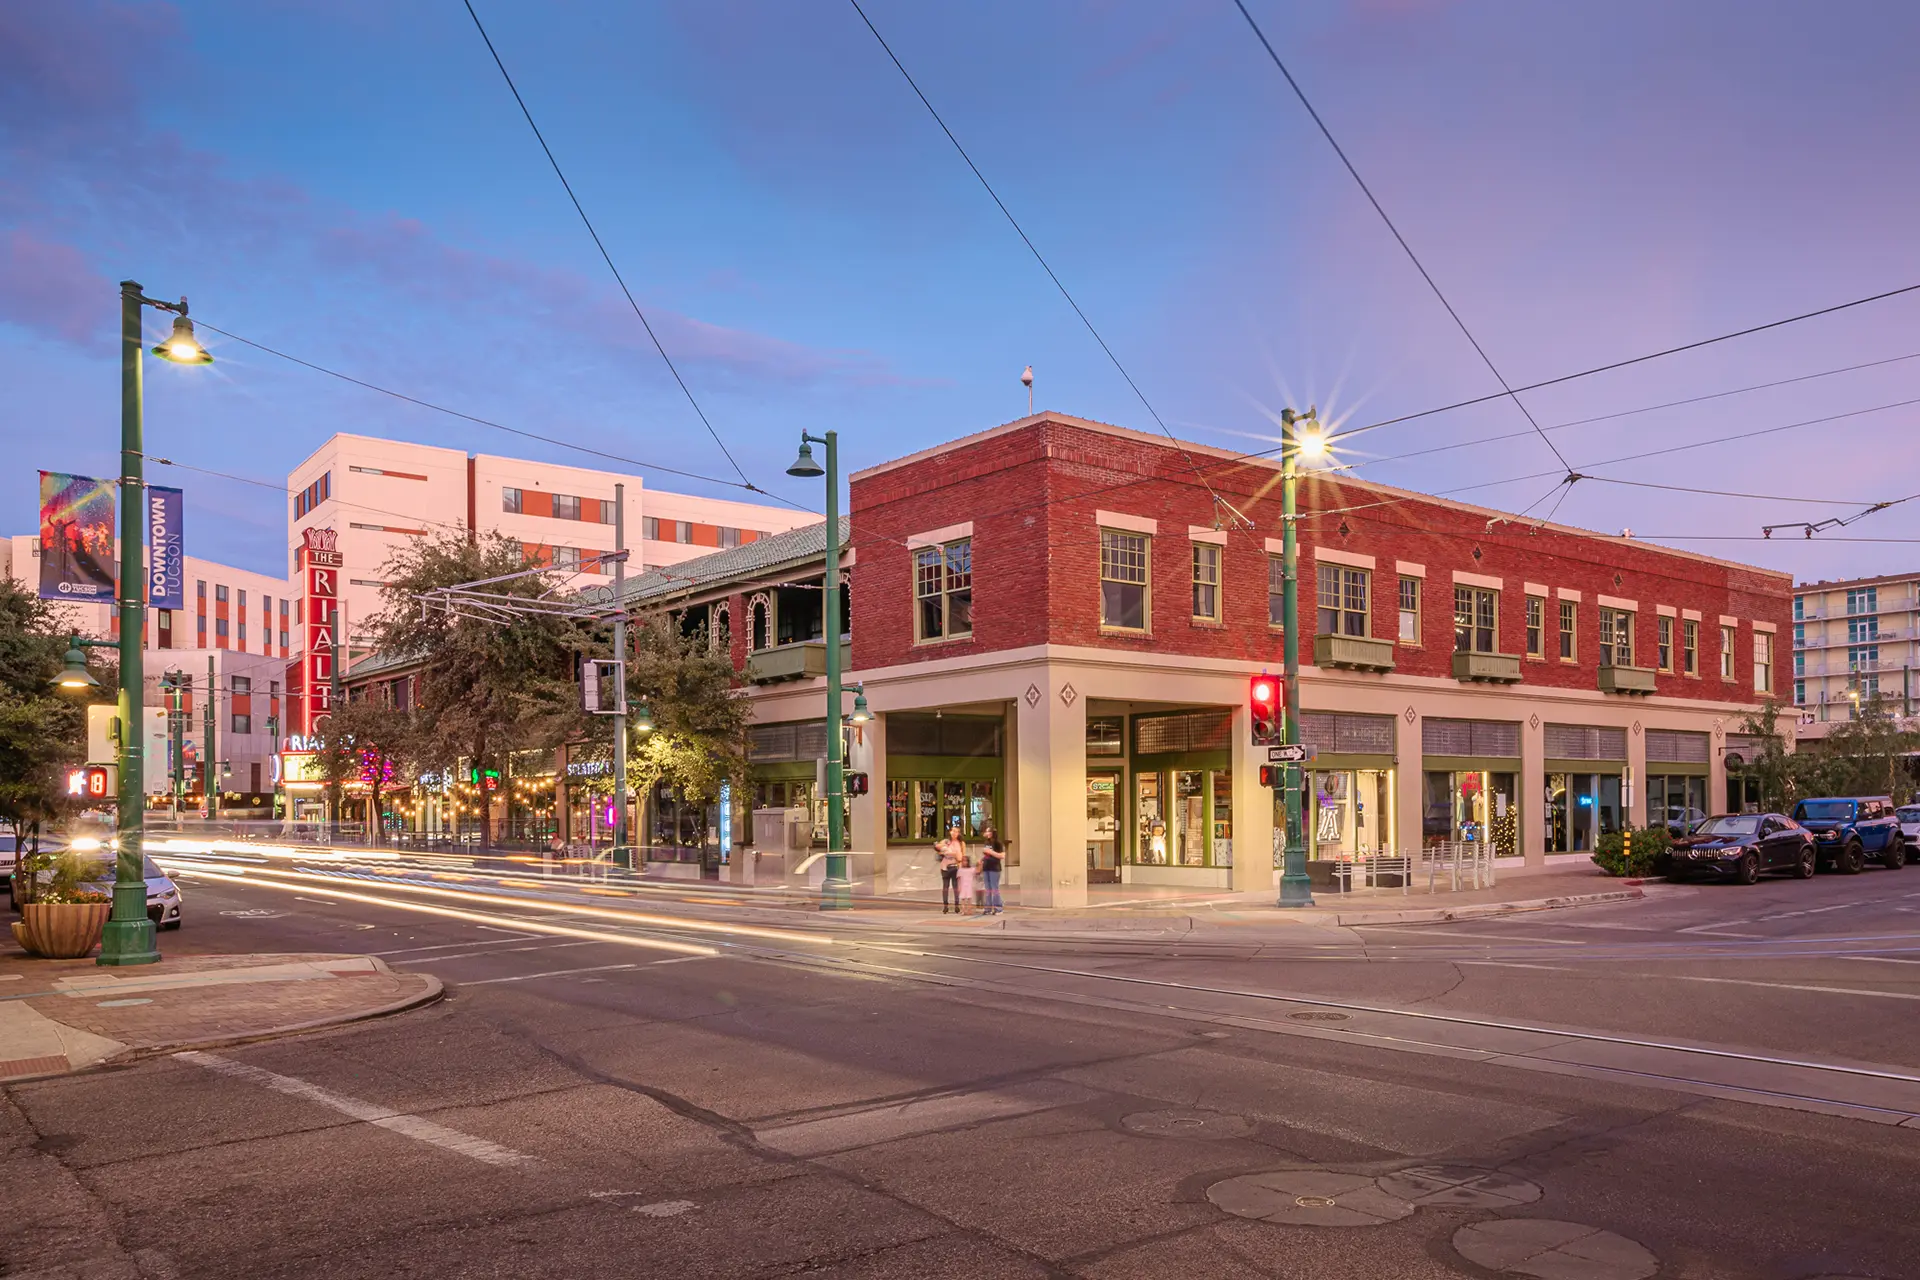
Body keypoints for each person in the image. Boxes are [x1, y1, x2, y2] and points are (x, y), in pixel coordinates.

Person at [936, 821, 965, 914]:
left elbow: (962, 856)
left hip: (956, 867)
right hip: (945, 867)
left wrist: (957, 858)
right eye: (952, 831)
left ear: (959, 833)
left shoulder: (961, 843)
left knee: (956, 887)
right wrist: (945, 851)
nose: (954, 833)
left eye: (956, 831)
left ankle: (957, 905)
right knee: (945, 886)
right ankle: (945, 906)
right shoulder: (946, 841)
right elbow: (938, 849)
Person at [979, 826, 1005, 915]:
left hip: (995, 868)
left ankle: (998, 908)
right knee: (987, 889)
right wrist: (982, 860)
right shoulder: (987, 842)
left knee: (994, 888)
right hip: (986, 867)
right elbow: (987, 855)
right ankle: (988, 908)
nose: (986, 833)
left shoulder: (998, 843)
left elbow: (1002, 856)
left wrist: (990, 852)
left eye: (988, 831)